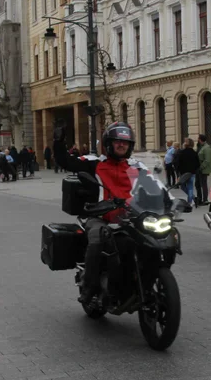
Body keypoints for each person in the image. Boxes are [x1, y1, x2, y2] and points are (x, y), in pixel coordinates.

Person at [54, 122, 147, 304]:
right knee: (97, 238)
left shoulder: (138, 166)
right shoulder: (94, 163)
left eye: (125, 143)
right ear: (108, 144)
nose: (121, 145)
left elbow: (155, 186)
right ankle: (89, 286)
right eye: (117, 142)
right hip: (99, 216)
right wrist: (59, 142)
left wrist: (170, 200)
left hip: (130, 217)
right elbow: (66, 161)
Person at [176, 139, 199, 205]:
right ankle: (190, 201)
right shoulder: (194, 153)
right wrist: (194, 170)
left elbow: (178, 164)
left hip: (183, 173)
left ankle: (192, 198)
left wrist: (178, 173)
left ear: (186, 144)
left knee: (182, 186)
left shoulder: (182, 152)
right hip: (192, 173)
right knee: (190, 187)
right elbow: (198, 164)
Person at [196, 134, 211, 207]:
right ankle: (200, 198)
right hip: (200, 168)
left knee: (203, 184)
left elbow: (207, 160)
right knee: (198, 184)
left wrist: (201, 167)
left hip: (203, 169)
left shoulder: (206, 148)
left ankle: (205, 199)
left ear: (200, 139)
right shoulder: (202, 147)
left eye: (198, 139)